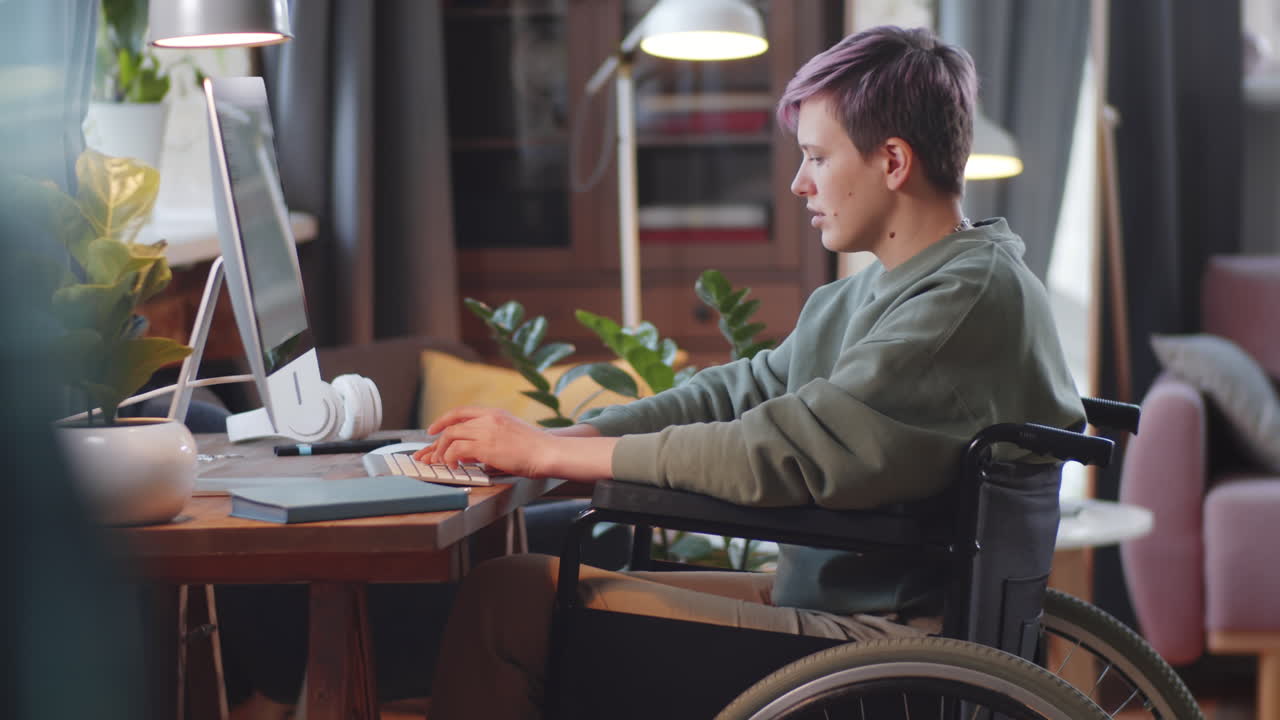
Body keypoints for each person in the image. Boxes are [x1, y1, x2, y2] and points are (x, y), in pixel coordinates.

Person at [417, 25, 1085, 720]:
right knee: (520, 586)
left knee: (509, 605)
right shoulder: (880, 289)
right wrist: (571, 439)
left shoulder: (961, 300)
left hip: (888, 646)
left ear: (892, 161)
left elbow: (779, 450)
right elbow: (743, 392)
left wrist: (553, 455)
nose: (799, 184)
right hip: (833, 600)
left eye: (818, 158)